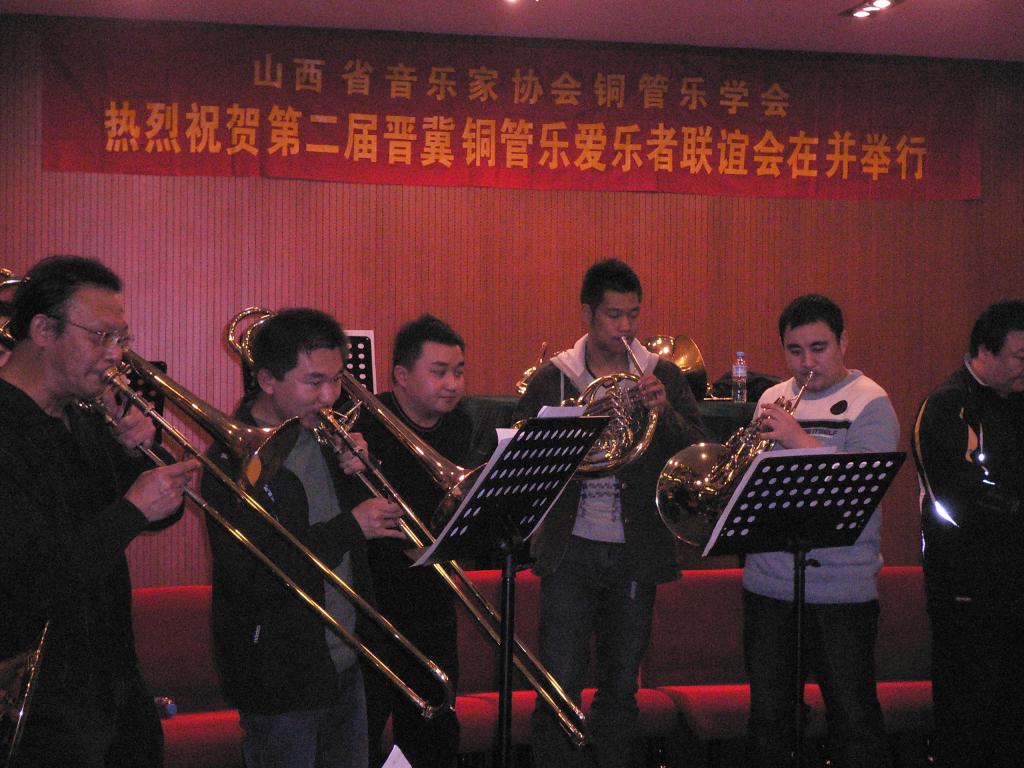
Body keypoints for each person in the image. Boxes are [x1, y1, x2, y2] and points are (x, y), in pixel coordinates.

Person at [0, 255, 199, 768]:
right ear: (43, 330)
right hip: (41, 703)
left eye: (122, 339)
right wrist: (132, 508)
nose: (116, 355)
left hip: (113, 682)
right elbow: (34, 579)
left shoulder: (83, 419)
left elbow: (163, 514)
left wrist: (138, 455)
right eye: (102, 336)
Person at [513, 258, 708, 768]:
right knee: (558, 686)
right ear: (588, 314)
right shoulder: (555, 379)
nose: (625, 327)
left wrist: (665, 412)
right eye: (613, 315)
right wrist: (569, 429)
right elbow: (519, 454)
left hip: (635, 550)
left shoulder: (661, 375)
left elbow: (698, 453)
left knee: (622, 688)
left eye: (633, 315)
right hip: (569, 550)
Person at [202, 308, 404, 768]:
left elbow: (368, 537)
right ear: (267, 380)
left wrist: (360, 472)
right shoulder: (234, 461)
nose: (329, 396)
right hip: (279, 676)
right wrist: (352, 525)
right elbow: (258, 573)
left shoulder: (325, 438)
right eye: (314, 382)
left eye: (336, 380)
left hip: (346, 660)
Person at [742, 294, 899, 768]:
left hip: (841, 589)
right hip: (769, 585)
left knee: (853, 716)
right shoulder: (771, 399)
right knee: (770, 718)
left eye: (819, 348)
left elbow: (862, 486)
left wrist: (796, 439)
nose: (807, 362)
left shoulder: (871, 401)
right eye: (795, 351)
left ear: (843, 342)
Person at [353, 314, 471, 768]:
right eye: (439, 371)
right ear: (401, 376)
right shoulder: (362, 424)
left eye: (458, 371)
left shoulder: (460, 426)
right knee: (362, 727)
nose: (452, 383)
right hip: (372, 599)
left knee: (434, 727)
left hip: (432, 596)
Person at [910, 300, 1024, 768]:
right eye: (1020, 357)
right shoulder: (947, 406)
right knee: (969, 719)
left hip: (1014, 589)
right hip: (966, 591)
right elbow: (955, 501)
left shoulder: (1016, 402)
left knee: (1012, 721)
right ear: (985, 351)